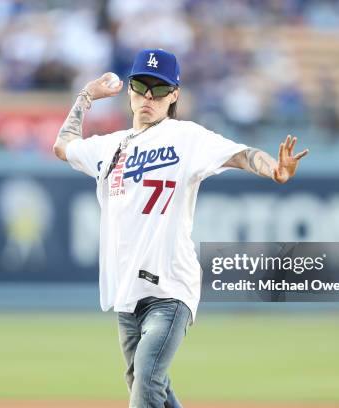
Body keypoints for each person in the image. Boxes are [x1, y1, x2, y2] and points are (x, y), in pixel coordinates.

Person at [53, 48, 308, 408]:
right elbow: (63, 146)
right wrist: (85, 97)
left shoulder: (186, 137)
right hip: (128, 291)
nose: (148, 97)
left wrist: (274, 170)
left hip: (171, 287)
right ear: (129, 89)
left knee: (146, 380)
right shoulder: (109, 148)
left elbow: (241, 154)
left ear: (174, 95)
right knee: (146, 382)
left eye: (159, 90)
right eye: (141, 86)